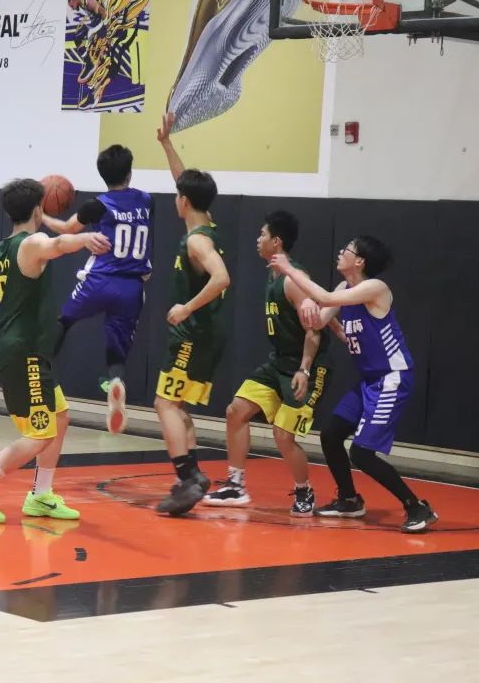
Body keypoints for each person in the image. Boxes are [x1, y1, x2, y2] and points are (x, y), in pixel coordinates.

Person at [0, 178, 110, 524]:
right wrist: (85, 239)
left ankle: (41, 495)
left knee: (59, 417)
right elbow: (59, 243)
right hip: (25, 354)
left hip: (24, 350)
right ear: (38, 210)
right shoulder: (32, 243)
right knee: (39, 434)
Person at [269, 236, 438, 533]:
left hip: (391, 378)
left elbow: (326, 299)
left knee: (361, 453)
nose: (340, 252)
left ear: (359, 261)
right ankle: (349, 500)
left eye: (346, 250)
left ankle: (417, 507)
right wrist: (308, 306)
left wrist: (290, 271)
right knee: (331, 435)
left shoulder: (375, 288)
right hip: (369, 380)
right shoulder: (343, 288)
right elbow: (318, 320)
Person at [204, 211, 330, 515]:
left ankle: (305, 491)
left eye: (262, 234)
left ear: (277, 242)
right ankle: (235, 485)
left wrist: (304, 369)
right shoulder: (273, 273)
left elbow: (314, 331)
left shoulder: (293, 280)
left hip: (306, 368)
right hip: (278, 362)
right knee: (236, 411)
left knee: (283, 436)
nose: (257, 240)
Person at [42, 145, 154, 434]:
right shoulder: (147, 201)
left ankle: (41, 370)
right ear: (130, 172)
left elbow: (66, 229)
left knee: (64, 320)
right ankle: (115, 381)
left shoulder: (97, 205)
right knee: (116, 348)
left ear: (102, 175)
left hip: (101, 279)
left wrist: (41, 215)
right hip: (132, 286)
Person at [153, 112, 231, 516]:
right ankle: (194, 475)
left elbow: (222, 278)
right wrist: (167, 144)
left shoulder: (198, 242)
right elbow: (183, 182)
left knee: (164, 403)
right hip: (208, 333)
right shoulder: (206, 222)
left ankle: (187, 478)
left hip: (193, 333)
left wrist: (186, 307)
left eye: (178, 195)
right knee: (178, 404)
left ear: (183, 202)